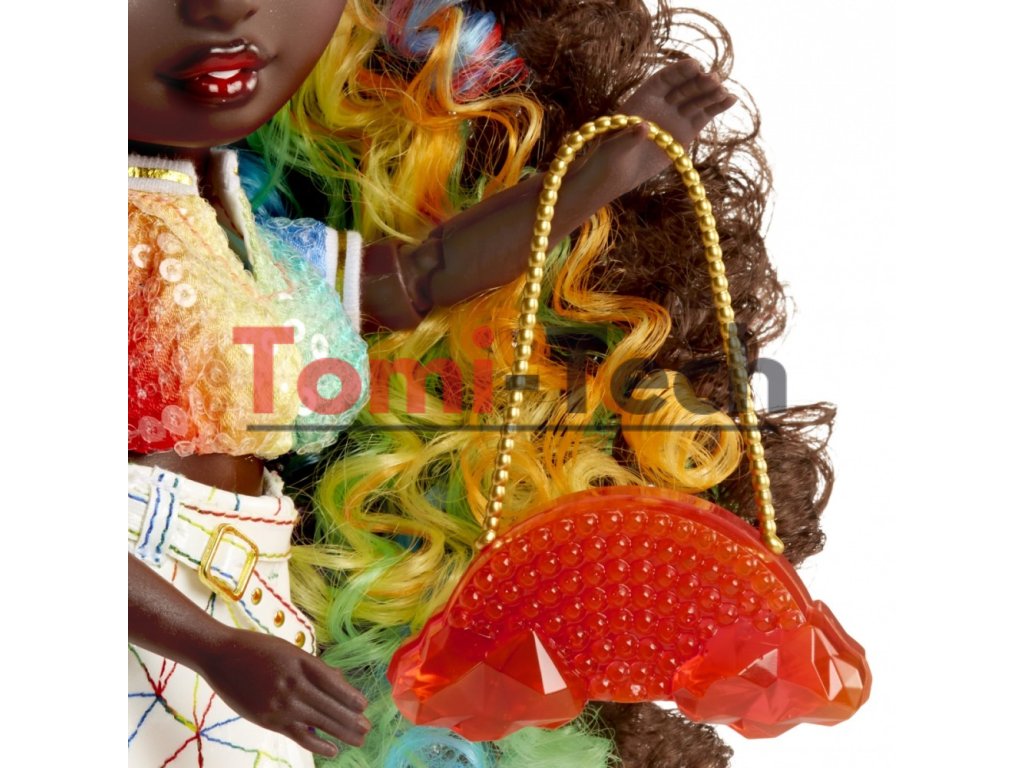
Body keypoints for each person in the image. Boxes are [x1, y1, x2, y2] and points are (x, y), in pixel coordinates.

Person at [128, 1, 759, 766]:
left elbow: (422, 273)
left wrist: (604, 171)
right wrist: (209, 647)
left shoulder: (244, 237)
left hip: (244, 595)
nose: (227, 6)